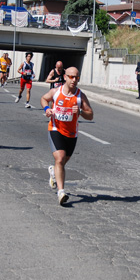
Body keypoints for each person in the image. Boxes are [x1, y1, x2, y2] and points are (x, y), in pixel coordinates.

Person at [41, 67, 94, 205]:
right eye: (71, 77)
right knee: (60, 158)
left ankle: (53, 172)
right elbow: (44, 99)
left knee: (63, 161)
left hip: (71, 133)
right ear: (65, 77)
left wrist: (81, 112)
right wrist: (47, 109)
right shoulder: (56, 92)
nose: (74, 80)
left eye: (77, 77)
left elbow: (91, 115)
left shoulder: (80, 96)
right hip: (55, 129)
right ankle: (61, 192)